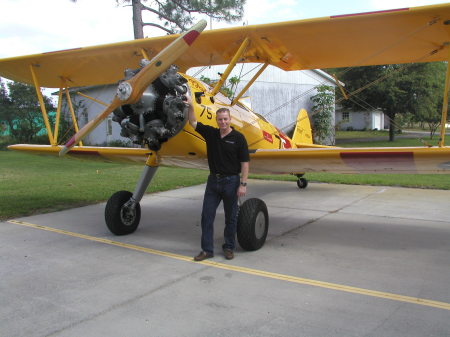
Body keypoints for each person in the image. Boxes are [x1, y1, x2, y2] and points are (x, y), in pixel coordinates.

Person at [186, 95, 249, 261]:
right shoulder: (211, 133)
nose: (223, 122)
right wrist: (191, 105)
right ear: (216, 120)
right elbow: (193, 123)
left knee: (231, 217)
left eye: (225, 119)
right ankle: (207, 250)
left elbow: (245, 163)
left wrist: (243, 184)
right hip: (213, 181)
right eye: (220, 119)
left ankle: (229, 247)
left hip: (231, 182)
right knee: (206, 216)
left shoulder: (239, 138)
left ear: (230, 119)